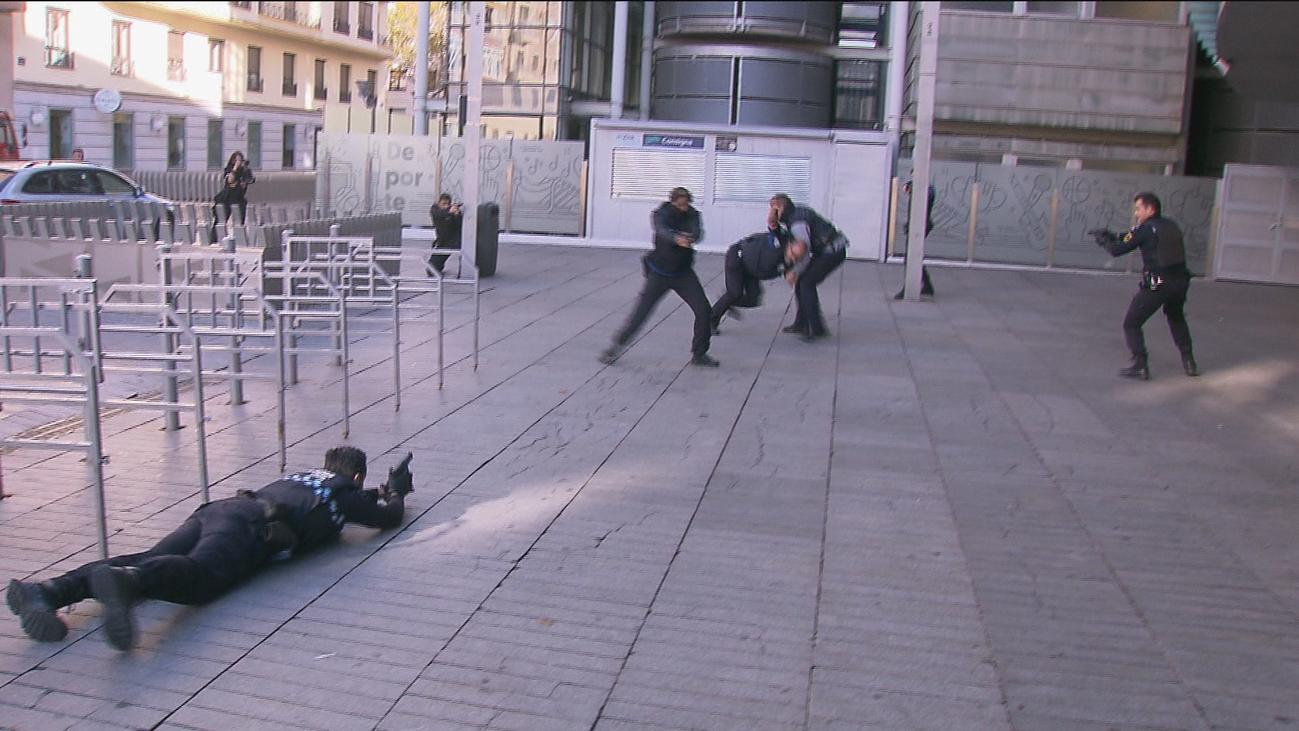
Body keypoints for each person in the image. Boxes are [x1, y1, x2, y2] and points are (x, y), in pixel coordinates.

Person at [6, 446, 409, 651]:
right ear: (356, 477)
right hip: (252, 528)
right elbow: (388, 518)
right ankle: (130, 583)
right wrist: (396, 492)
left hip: (222, 508)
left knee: (149, 553)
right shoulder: (344, 493)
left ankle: (49, 591)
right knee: (200, 577)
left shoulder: (306, 476)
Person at [599, 187, 718, 367]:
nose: (684, 207)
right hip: (660, 273)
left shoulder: (693, 214)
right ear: (673, 202)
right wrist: (676, 238)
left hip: (683, 273)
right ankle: (615, 347)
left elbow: (698, 232)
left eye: (686, 204)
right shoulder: (660, 214)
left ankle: (699, 354)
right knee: (641, 313)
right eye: (680, 204)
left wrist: (691, 237)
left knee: (704, 311)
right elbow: (662, 230)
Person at [1092, 192, 1200, 380]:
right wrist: (1116, 235)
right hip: (1180, 283)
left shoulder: (1145, 228)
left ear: (1150, 209)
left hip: (1158, 284)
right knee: (1176, 318)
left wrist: (1105, 241)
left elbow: (1118, 250)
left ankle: (1140, 364)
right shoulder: (1171, 225)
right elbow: (1133, 237)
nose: (1136, 213)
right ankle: (1189, 361)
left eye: (1138, 209)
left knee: (1131, 323)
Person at [769, 194, 850, 341]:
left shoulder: (797, 222)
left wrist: (795, 271)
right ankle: (801, 323)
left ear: (781, 207)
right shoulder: (794, 214)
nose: (770, 213)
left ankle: (816, 329)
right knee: (802, 282)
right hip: (827, 249)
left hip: (833, 251)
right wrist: (773, 226)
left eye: (772, 209)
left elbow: (803, 251)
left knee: (806, 283)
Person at [708, 227, 804, 335]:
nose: (793, 259)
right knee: (735, 292)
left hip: (751, 269)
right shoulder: (776, 248)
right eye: (793, 255)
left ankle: (727, 301)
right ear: (790, 246)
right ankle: (711, 321)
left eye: (797, 258)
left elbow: (785, 273)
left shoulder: (788, 261)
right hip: (737, 258)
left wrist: (791, 277)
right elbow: (773, 226)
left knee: (753, 299)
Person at [894, 180, 936, 300]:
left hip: (920, 226)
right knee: (913, 257)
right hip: (918, 225)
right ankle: (927, 285)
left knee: (911, 257)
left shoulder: (927, 189)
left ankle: (910, 286)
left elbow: (928, 196)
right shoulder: (919, 188)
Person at [211, 151, 255, 239]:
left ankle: (239, 238)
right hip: (227, 197)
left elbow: (251, 180)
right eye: (236, 160)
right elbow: (230, 181)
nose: (238, 162)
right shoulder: (229, 169)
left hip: (239, 197)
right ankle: (214, 238)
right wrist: (235, 168)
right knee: (221, 219)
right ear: (232, 160)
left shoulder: (245, 170)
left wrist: (245, 170)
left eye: (240, 159)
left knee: (239, 220)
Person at [428, 193, 463, 274]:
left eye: (447, 204)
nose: (446, 206)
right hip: (442, 242)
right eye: (443, 204)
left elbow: (459, 224)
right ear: (438, 203)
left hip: (453, 241)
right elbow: (439, 214)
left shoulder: (451, 211)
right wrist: (449, 211)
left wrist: (457, 215)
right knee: (432, 269)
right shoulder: (435, 209)